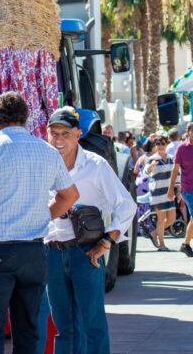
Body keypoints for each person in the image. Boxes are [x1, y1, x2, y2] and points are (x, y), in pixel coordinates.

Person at [0, 92, 79, 354]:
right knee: (27, 330)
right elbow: (70, 195)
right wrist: (41, 215)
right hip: (34, 251)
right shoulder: (46, 151)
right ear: (25, 118)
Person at [44, 107, 136, 354]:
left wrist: (106, 242)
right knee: (64, 327)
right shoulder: (43, 165)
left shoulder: (95, 166)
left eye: (65, 133)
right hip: (52, 252)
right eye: (54, 133)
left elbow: (127, 205)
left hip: (86, 254)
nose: (59, 140)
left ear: (78, 134)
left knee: (92, 324)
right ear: (47, 134)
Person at [169, 121, 193, 259]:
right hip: (188, 189)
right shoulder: (181, 148)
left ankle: (185, 245)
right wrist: (171, 190)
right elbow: (175, 170)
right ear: (188, 132)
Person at [143, 135, 178, 251]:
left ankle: (154, 233)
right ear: (155, 146)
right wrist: (150, 167)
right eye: (158, 144)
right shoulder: (152, 158)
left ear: (167, 144)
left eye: (163, 143)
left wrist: (178, 189)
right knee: (161, 219)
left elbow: (177, 174)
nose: (161, 146)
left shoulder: (172, 158)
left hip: (169, 192)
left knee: (172, 219)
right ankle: (162, 244)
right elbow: (145, 172)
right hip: (157, 193)